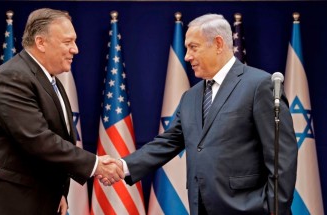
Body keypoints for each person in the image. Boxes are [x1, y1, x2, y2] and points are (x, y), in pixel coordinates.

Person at [103, 13, 297, 215]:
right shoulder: (191, 96)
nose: (187, 56)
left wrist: (274, 208)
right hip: (201, 207)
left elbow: (281, 156)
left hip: (251, 210)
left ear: (219, 44)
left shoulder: (259, 85)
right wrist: (123, 165)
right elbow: (168, 142)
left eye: (193, 47)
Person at [0, 8, 123, 215]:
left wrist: (58, 192)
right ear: (41, 42)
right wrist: (96, 164)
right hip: (2, 201)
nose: (75, 49)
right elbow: (36, 139)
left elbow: (54, 139)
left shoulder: (49, 81)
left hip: (32, 198)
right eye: (67, 42)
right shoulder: (13, 77)